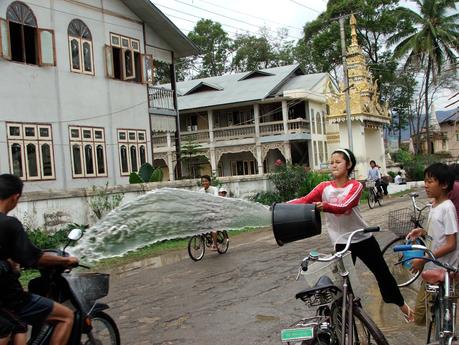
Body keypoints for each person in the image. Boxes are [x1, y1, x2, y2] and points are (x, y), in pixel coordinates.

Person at [288, 148, 414, 322]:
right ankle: (350, 321)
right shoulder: (323, 187)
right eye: (331, 162)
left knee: (383, 275)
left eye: (338, 162)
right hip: (341, 244)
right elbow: (304, 200)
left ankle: (404, 308)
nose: (334, 165)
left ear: (348, 165)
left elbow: (345, 206)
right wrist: (282, 206)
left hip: (362, 238)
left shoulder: (355, 186)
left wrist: (325, 206)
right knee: (344, 285)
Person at [0, 174, 78, 345]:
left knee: (19, 329)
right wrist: (66, 261)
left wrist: (10, 262)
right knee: (66, 316)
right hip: (9, 297)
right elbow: (35, 258)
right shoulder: (9, 224)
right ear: (15, 197)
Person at [407, 163, 458, 326]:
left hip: (445, 271)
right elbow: (437, 233)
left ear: (443, 185)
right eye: (425, 181)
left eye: (430, 181)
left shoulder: (447, 208)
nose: (426, 185)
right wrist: (422, 231)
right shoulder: (434, 205)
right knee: (424, 315)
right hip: (432, 268)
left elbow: (451, 244)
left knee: (441, 317)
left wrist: (424, 260)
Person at [198, 175, 218, 250]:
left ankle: (215, 244)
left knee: (213, 228)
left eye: (206, 181)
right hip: (205, 211)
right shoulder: (200, 191)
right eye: (202, 181)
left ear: (209, 182)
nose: (204, 182)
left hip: (214, 211)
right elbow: (198, 200)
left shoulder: (214, 189)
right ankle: (204, 240)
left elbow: (215, 198)